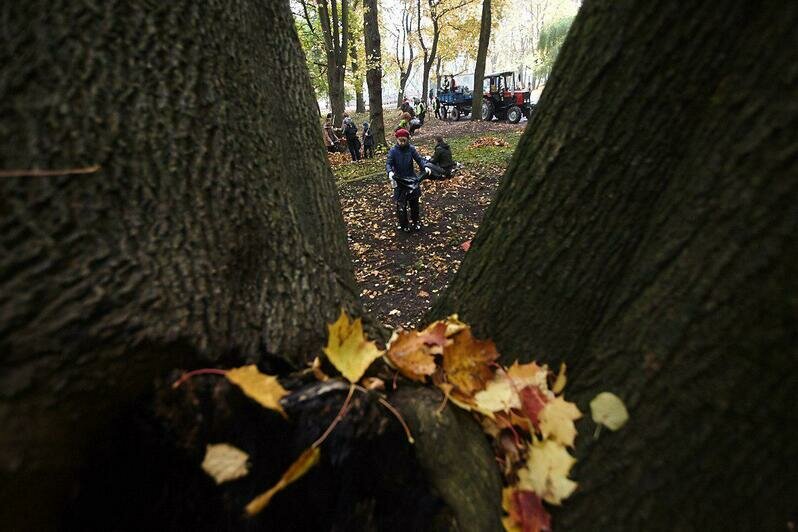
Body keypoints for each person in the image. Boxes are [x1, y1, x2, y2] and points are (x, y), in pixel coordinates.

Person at [386, 128, 426, 232]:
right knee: (401, 205)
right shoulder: (393, 151)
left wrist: (424, 167)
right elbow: (388, 163)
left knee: (414, 204)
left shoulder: (411, 149)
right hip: (399, 181)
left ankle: (416, 221)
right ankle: (403, 224)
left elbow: (418, 159)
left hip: (411, 179)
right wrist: (390, 171)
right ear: (397, 139)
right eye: (400, 140)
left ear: (408, 139)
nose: (402, 142)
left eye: (404, 140)